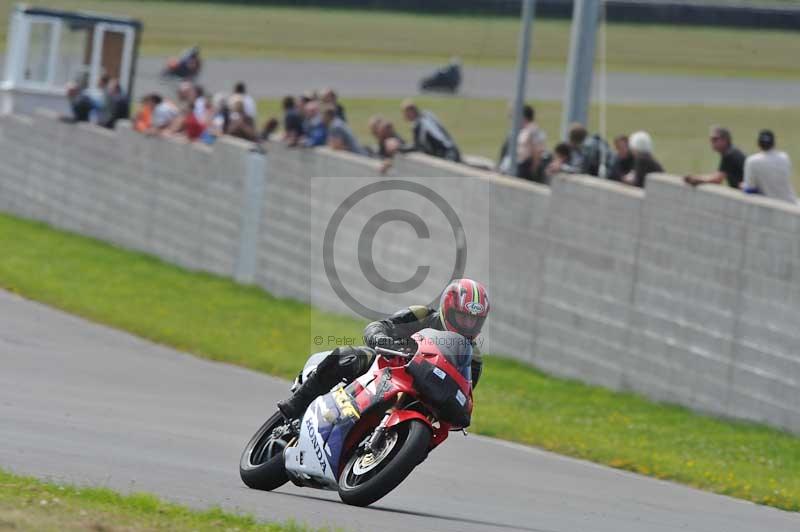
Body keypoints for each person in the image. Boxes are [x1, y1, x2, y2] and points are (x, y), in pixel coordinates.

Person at [277, 279, 490, 420]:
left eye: (473, 321)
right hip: (386, 366)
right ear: (447, 310)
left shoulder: (474, 359)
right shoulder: (422, 315)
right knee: (350, 357)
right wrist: (384, 341)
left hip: (421, 395)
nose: (466, 325)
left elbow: (463, 390)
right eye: (462, 317)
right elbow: (379, 326)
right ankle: (297, 404)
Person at [742, 130, 797, 204]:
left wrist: (742, 186)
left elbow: (749, 189)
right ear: (774, 143)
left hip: (771, 208)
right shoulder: (784, 157)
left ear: (758, 144)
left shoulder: (752, 161)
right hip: (791, 205)